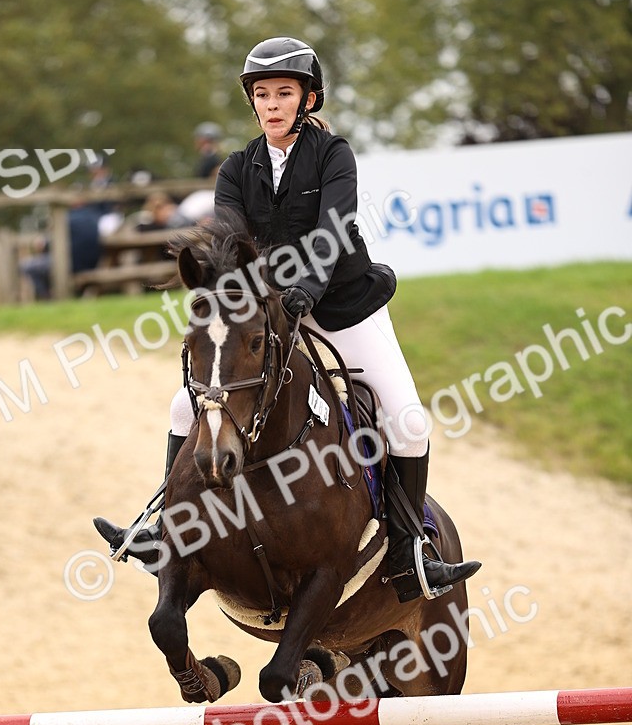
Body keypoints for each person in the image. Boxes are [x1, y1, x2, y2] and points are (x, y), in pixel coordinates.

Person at [95, 36, 480, 603]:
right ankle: (168, 529)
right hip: (272, 314)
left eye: (283, 93)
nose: (271, 104)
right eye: (262, 94)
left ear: (308, 99)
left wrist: (305, 288)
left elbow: (333, 228)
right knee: (187, 405)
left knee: (408, 420)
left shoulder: (333, 155)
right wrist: (232, 291)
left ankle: (407, 550)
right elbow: (229, 238)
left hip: (346, 308)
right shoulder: (235, 168)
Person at [20, 197, 101, 300]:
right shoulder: (94, 218)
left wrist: (43, 244)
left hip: (69, 264)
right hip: (92, 265)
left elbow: (50, 243)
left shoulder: (67, 219)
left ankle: (48, 300)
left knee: (27, 266)